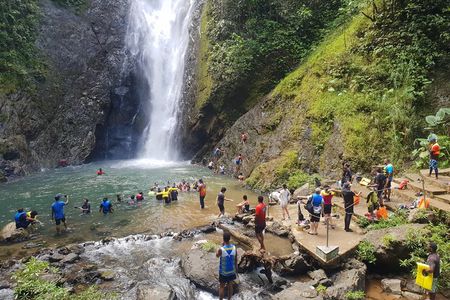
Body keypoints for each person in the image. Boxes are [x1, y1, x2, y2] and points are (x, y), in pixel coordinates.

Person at [216, 231, 238, 300]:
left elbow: (217, 255)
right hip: (232, 271)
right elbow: (236, 260)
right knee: (230, 285)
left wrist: (221, 246)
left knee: (222, 286)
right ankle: (229, 299)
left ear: (223, 239)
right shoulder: (234, 248)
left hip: (224, 272)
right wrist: (236, 270)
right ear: (229, 239)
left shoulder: (221, 249)